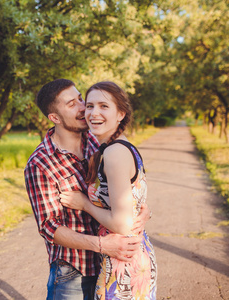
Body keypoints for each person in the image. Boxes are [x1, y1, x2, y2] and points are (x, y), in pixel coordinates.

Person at [24, 79, 151, 300]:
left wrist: (143, 209)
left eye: (81, 98)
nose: (84, 108)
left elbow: (127, 184)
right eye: (72, 104)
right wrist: (102, 245)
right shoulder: (40, 164)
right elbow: (49, 227)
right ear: (54, 118)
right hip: (74, 271)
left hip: (114, 261)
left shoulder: (98, 139)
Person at [60, 81, 157, 299]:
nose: (94, 113)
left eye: (104, 106)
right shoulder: (120, 146)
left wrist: (84, 203)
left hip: (123, 260)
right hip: (133, 253)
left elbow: (121, 224)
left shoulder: (114, 153)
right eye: (91, 105)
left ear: (121, 113)